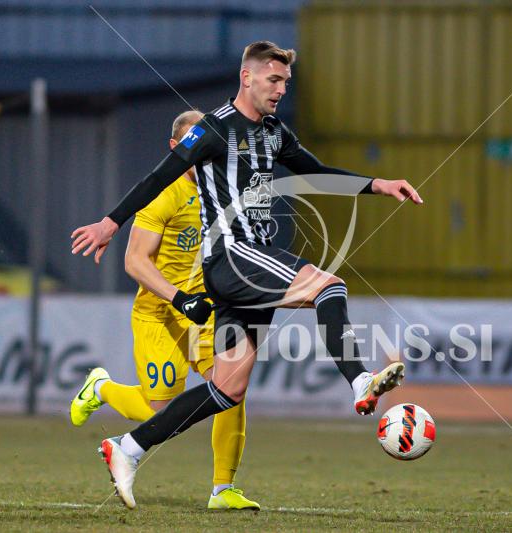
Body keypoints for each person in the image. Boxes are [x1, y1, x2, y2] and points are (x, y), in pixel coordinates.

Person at [71, 41, 423, 509]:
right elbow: (159, 176)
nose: (280, 89)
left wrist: (378, 184)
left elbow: (315, 172)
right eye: (273, 80)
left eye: (285, 82)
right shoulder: (214, 129)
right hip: (234, 255)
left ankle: (129, 448)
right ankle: (359, 381)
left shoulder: (275, 132)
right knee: (329, 286)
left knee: (228, 389)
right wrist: (110, 223)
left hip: (244, 267)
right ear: (247, 77)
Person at [69, 110, 259, 511]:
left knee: (231, 386)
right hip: (161, 310)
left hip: (205, 310)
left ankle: (223, 489)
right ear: (176, 148)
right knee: (158, 409)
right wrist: (179, 298)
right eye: (193, 143)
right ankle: (100, 388)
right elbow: (135, 261)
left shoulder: (223, 189)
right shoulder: (164, 193)